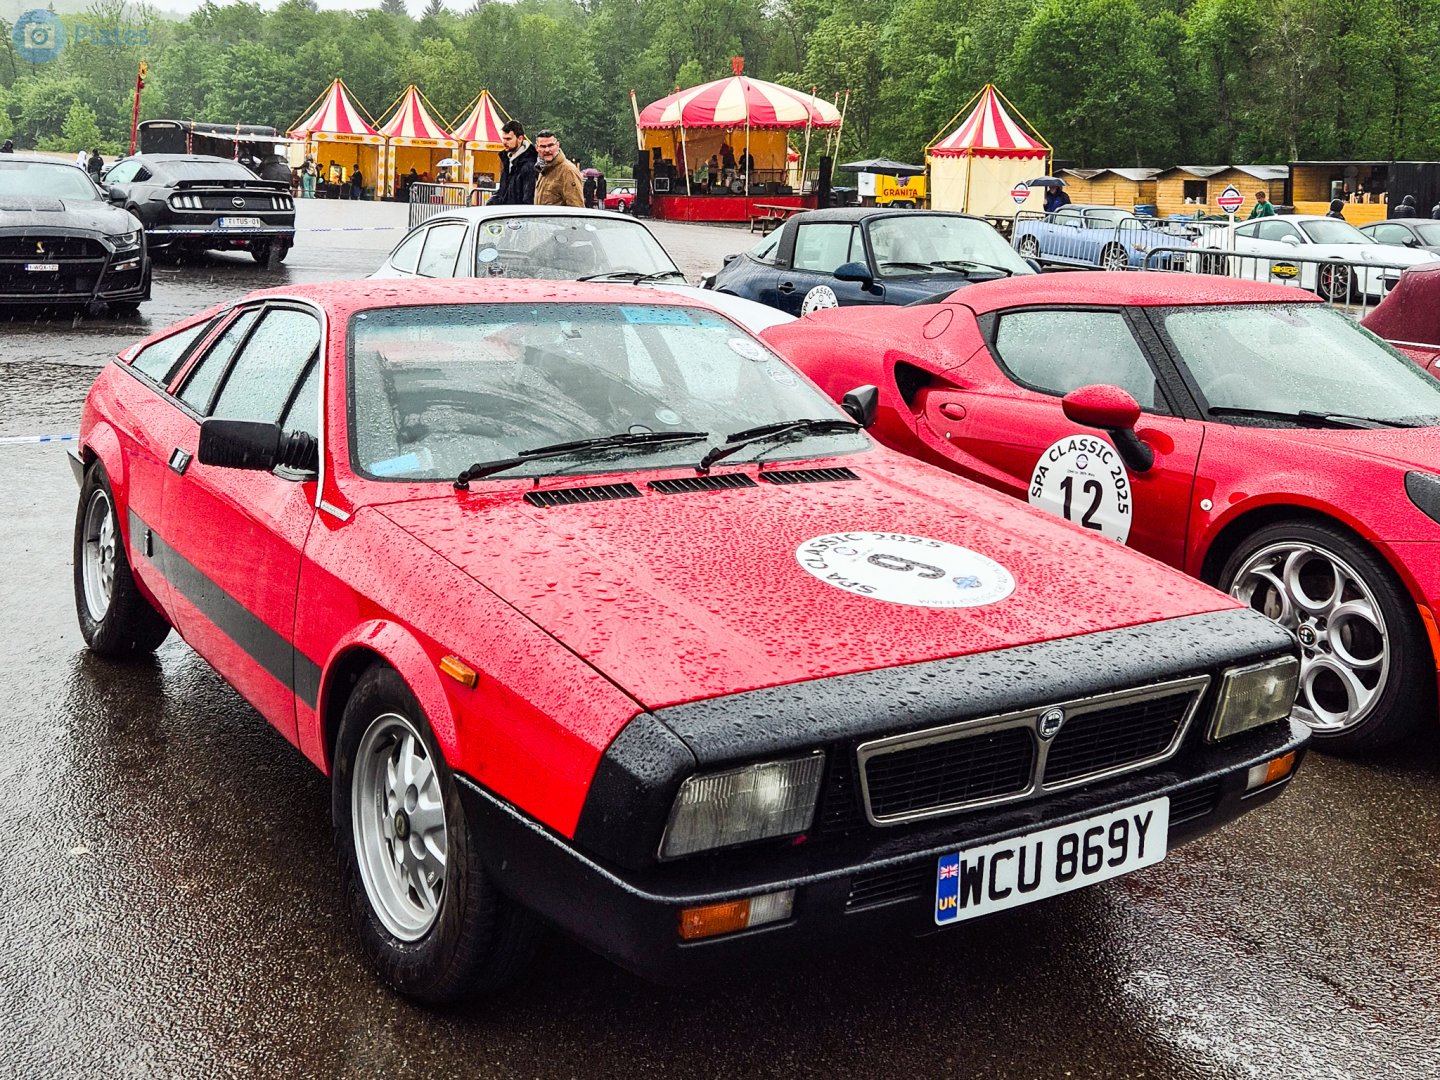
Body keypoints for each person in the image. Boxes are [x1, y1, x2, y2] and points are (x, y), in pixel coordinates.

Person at [491, 119, 539, 206]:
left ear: (520, 138)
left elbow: (528, 199)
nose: (504, 142)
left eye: (508, 139)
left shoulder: (530, 164)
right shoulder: (506, 159)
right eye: (503, 138)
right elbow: (503, 192)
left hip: (517, 215)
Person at [532, 129, 584, 207]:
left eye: (550, 145)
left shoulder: (568, 171)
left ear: (557, 145)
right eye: (543, 146)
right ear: (536, 148)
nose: (547, 150)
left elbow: (577, 209)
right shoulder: (543, 169)